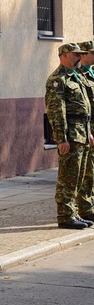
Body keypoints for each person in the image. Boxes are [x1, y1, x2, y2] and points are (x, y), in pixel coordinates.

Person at [46, 42, 94, 229]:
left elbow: (86, 109)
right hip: (71, 135)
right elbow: (56, 111)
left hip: (82, 132)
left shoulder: (76, 77)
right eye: (76, 54)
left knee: (79, 177)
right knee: (68, 177)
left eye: (81, 54)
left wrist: (88, 132)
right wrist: (61, 139)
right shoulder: (58, 79)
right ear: (64, 55)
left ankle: (74, 213)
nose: (79, 57)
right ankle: (65, 216)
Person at [75, 40, 94, 225]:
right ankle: (86, 209)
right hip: (86, 128)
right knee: (87, 171)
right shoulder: (78, 75)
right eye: (93, 53)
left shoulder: (91, 73)